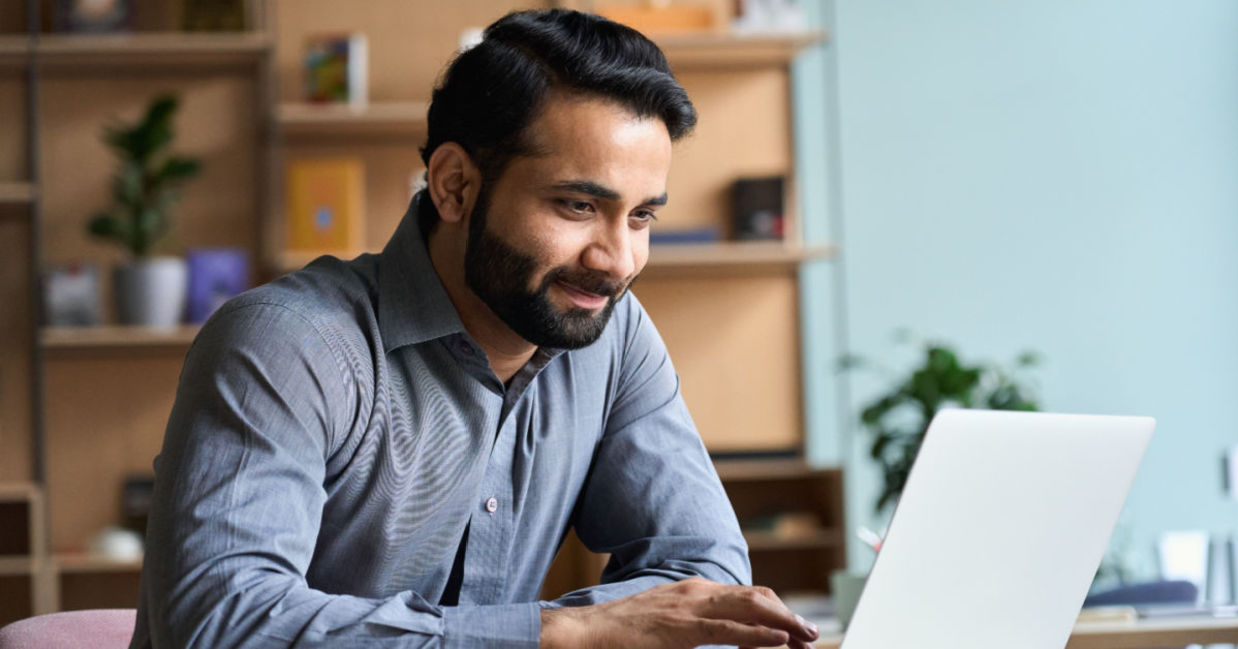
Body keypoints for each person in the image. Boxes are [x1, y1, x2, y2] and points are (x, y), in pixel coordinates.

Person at [130, 9, 819, 649]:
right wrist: (563, 633)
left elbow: (704, 570)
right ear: (454, 184)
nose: (618, 261)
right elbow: (223, 620)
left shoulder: (612, 335)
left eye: (641, 217)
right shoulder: (288, 343)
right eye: (579, 205)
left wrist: (592, 627)